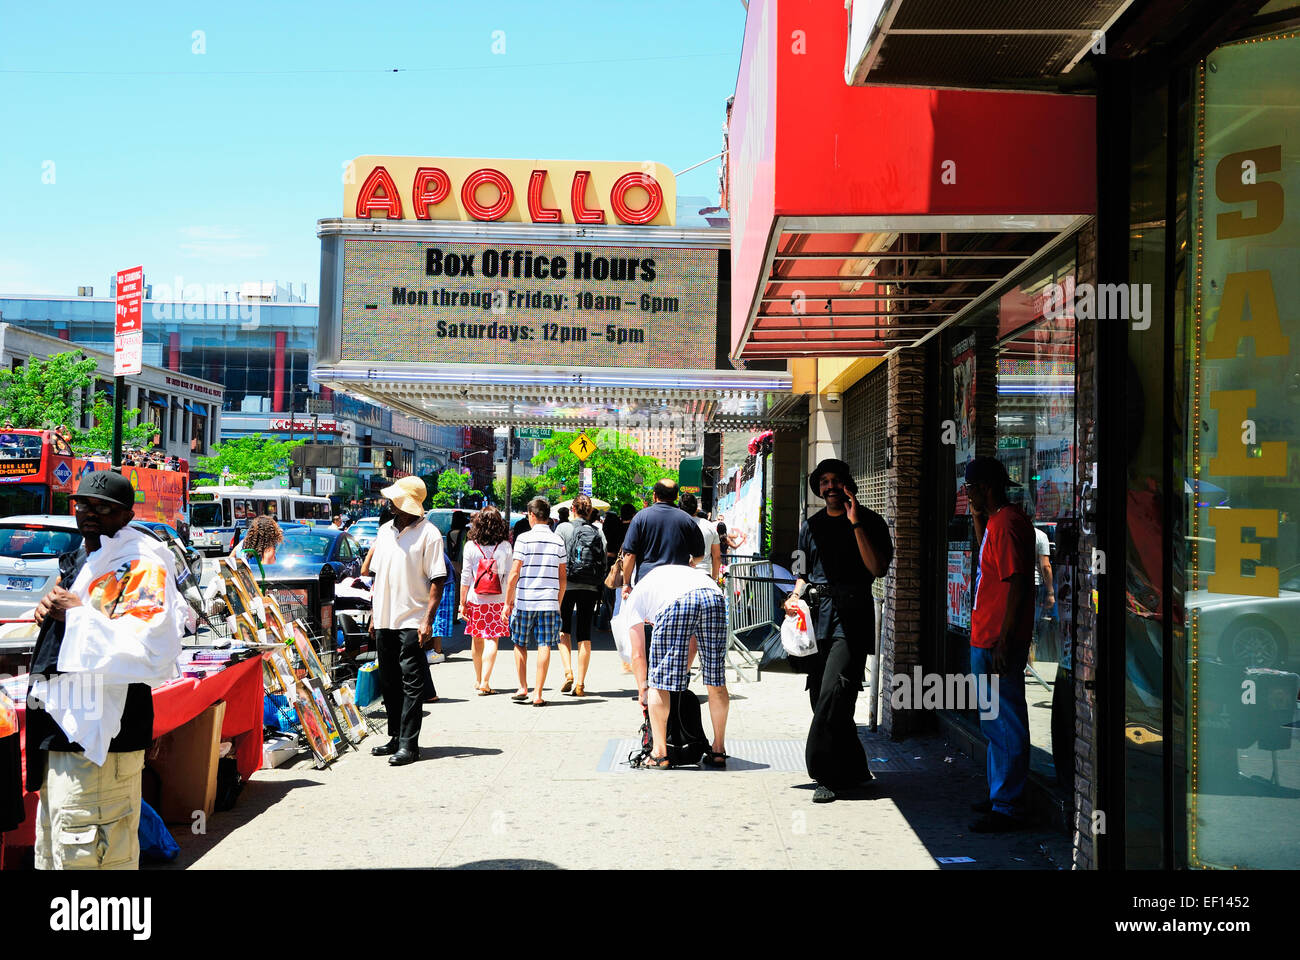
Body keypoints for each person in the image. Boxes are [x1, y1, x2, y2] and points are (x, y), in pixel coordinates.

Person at [26, 470, 186, 868]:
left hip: (101, 740)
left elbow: (151, 647)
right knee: (58, 852)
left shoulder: (141, 564)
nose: (91, 513)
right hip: (62, 732)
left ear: (127, 516)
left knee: (90, 854)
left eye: (104, 508)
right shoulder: (89, 558)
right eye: (83, 504)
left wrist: (77, 616)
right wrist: (52, 611)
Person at [783, 458, 892, 803]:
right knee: (822, 696)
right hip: (815, 620)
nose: (830, 487)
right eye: (824, 481)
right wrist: (794, 596)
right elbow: (801, 572)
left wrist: (855, 523)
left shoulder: (871, 522)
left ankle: (824, 773)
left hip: (852, 616)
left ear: (848, 484)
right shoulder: (809, 526)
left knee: (833, 693)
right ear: (819, 486)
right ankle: (855, 767)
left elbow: (876, 569)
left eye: (836, 480)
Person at [964, 456, 1035, 832]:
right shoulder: (995, 521)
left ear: (985, 487)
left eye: (970, 487)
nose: (967, 493)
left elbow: (1017, 583)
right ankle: (999, 794)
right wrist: (977, 516)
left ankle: (1008, 804)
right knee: (994, 722)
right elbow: (988, 562)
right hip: (986, 635)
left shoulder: (1007, 523)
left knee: (1005, 722)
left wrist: (1006, 641)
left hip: (996, 638)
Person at [367, 476, 447, 766]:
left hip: (413, 619)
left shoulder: (429, 534)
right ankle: (394, 736)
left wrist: (428, 621)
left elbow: (438, 580)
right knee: (389, 681)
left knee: (412, 684)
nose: (389, 503)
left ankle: (409, 745)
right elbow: (377, 576)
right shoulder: (385, 531)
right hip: (386, 617)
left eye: (395, 499)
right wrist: (375, 615)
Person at [625, 562, 729, 768]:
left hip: (678, 602)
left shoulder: (633, 600)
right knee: (716, 679)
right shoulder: (662, 581)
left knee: (658, 683)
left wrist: (643, 690)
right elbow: (691, 646)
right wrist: (682, 676)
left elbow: (637, 655)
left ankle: (660, 753)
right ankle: (718, 749)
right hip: (713, 594)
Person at [503, 498, 566, 706]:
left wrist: (508, 601)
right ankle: (538, 693)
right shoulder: (558, 540)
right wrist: (557, 600)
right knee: (544, 644)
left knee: (520, 643)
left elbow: (514, 573)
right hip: (549, 601)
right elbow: (563, 577)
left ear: (531, 515)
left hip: (524, 601)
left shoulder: (523, 539)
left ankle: (523, 687)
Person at [555, 494, 606, 697]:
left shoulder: (562, 529)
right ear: (590, 511)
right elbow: (603, 559)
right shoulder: (598, 532)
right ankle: (581, 684)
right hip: (590, 587)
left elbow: (556, 558)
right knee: (584, 633)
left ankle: (568, 672)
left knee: (563, 629)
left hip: (566, 585)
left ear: (572, 510)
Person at [459, 507, 512, 695]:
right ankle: (486, 682)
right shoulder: (505, 546)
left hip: (476, 599)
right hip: (498, 599)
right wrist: (509, 601)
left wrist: (462, 602)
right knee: (492, 639)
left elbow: (466, 576)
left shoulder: (471, 546)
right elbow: (510, 576)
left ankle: (478, 678)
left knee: (477, 637)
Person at [620, 479, 705, 588]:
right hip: (677, 584)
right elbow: (699, 555)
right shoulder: (687, 520)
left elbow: (629, 554)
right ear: (675, 497)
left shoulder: (640, 518)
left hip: (646, 582)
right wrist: (692, 562)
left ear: (654, 496)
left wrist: (626, 583)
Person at [428, 511, 470, 664]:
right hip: (457, 568)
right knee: (440, 613)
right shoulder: (465, 532)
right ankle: (436, 648)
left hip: (449, 573)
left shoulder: (450, 533)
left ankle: (437, 651)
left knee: (437, 616)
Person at [680, 493, 720, 581]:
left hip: (682, 574)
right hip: (704, 575)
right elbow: (716, 556)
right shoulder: (709, 526)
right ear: (696, 508)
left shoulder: (677, 525)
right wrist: (714, 579)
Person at [239, 515, 283, 589]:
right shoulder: (269, 550)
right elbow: (266, 572)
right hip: (260, 588)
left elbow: (231, 559)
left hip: (245, 584)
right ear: (272, 532)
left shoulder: (243, 545)